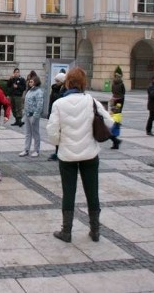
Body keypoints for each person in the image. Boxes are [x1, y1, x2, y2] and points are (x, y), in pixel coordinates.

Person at [46, 67, 113, 243]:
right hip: (90, 154)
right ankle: (95, 231)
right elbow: (110, 122)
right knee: (92, 192)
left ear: (68, 82)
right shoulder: (91, 100)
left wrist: (59, 142)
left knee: (69, 192)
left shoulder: (59, 104)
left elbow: (52, 130)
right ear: (84, 83)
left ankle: (66, 232)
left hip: (67, 155)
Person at [19, 76, 43, 157]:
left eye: (32, 81)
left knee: (35, 133)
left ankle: (36, 150)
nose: (30, 83)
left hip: (33, 115)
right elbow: (26, 103)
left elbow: (39, 104)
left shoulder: (39, 92)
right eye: (29, 82)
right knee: (27, 133)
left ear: (36, 82)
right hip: (27, 114)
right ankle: (26, 149)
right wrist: (24, 114)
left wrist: (36, 115)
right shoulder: (29, 91)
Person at [48, 72, 67, 161]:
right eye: (56, 80)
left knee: (61, 135)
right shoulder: (54, 88)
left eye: (58, 81)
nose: (56, 82)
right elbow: (51, 101)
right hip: (54, 113)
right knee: (55, 134)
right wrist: (49, 113)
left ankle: (60, 152)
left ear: (62, 81)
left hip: (62, 115)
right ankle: (57, 152)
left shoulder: (65, 90)